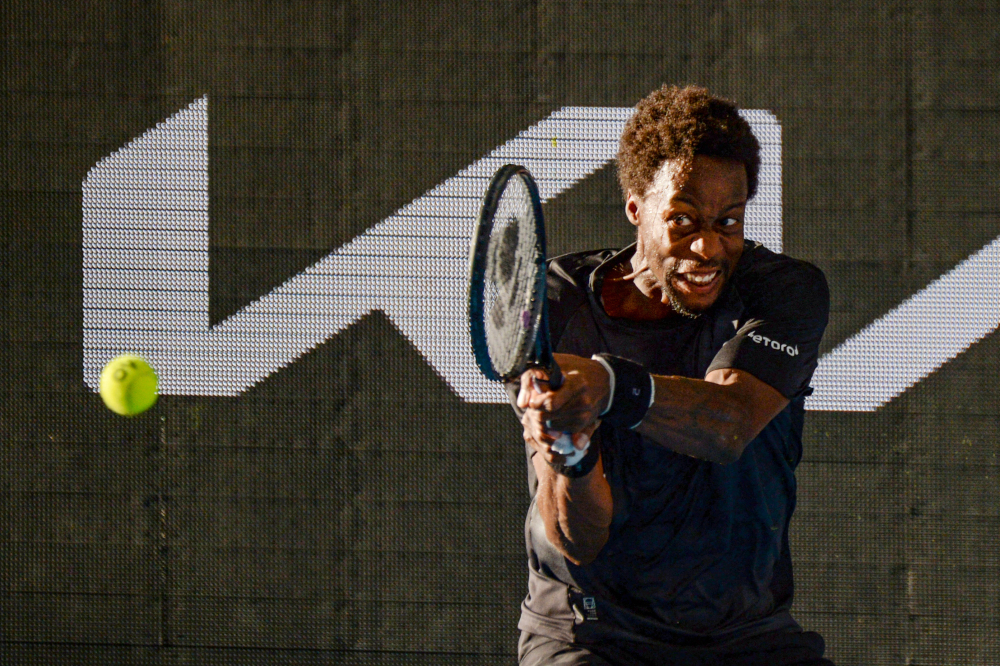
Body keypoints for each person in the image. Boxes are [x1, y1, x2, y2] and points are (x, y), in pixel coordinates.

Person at [511, 85, 834, 666]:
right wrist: (572, 449)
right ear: (637, 208)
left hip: (746, 635)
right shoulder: (555, 304)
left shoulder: (784, 291)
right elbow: (577, 539)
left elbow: (727, 424)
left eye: (727, 220)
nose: (707, 246)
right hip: (592, 631)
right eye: (682, 220)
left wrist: (609, 388)